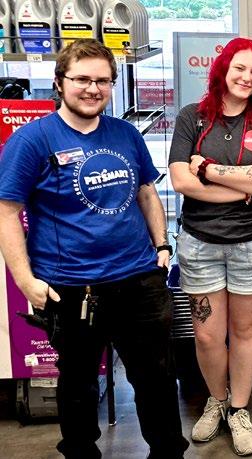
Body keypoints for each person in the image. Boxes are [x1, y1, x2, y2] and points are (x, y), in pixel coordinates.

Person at [0, 39, 188, 458]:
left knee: (157, 380)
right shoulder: (31, 140)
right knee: (79, 386)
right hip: (71, 289)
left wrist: (161, 245)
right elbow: (6, 211)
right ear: (59, 82)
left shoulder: (125, 133)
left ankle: (167, 453)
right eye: (82, 79)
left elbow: (146, 191)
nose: (92, 89)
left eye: (103, 81)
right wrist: (25, 280)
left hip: (139, 280)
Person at [168, 37, 252, 455]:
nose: (246, 77)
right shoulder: (192, 117)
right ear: (223, 69)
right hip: (200, 242)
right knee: (206, 336)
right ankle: (216, 400)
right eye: (240, 68)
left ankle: (238, 409)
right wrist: (244, 186)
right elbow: (180, 181)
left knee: (245, 331)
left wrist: (209, 170)